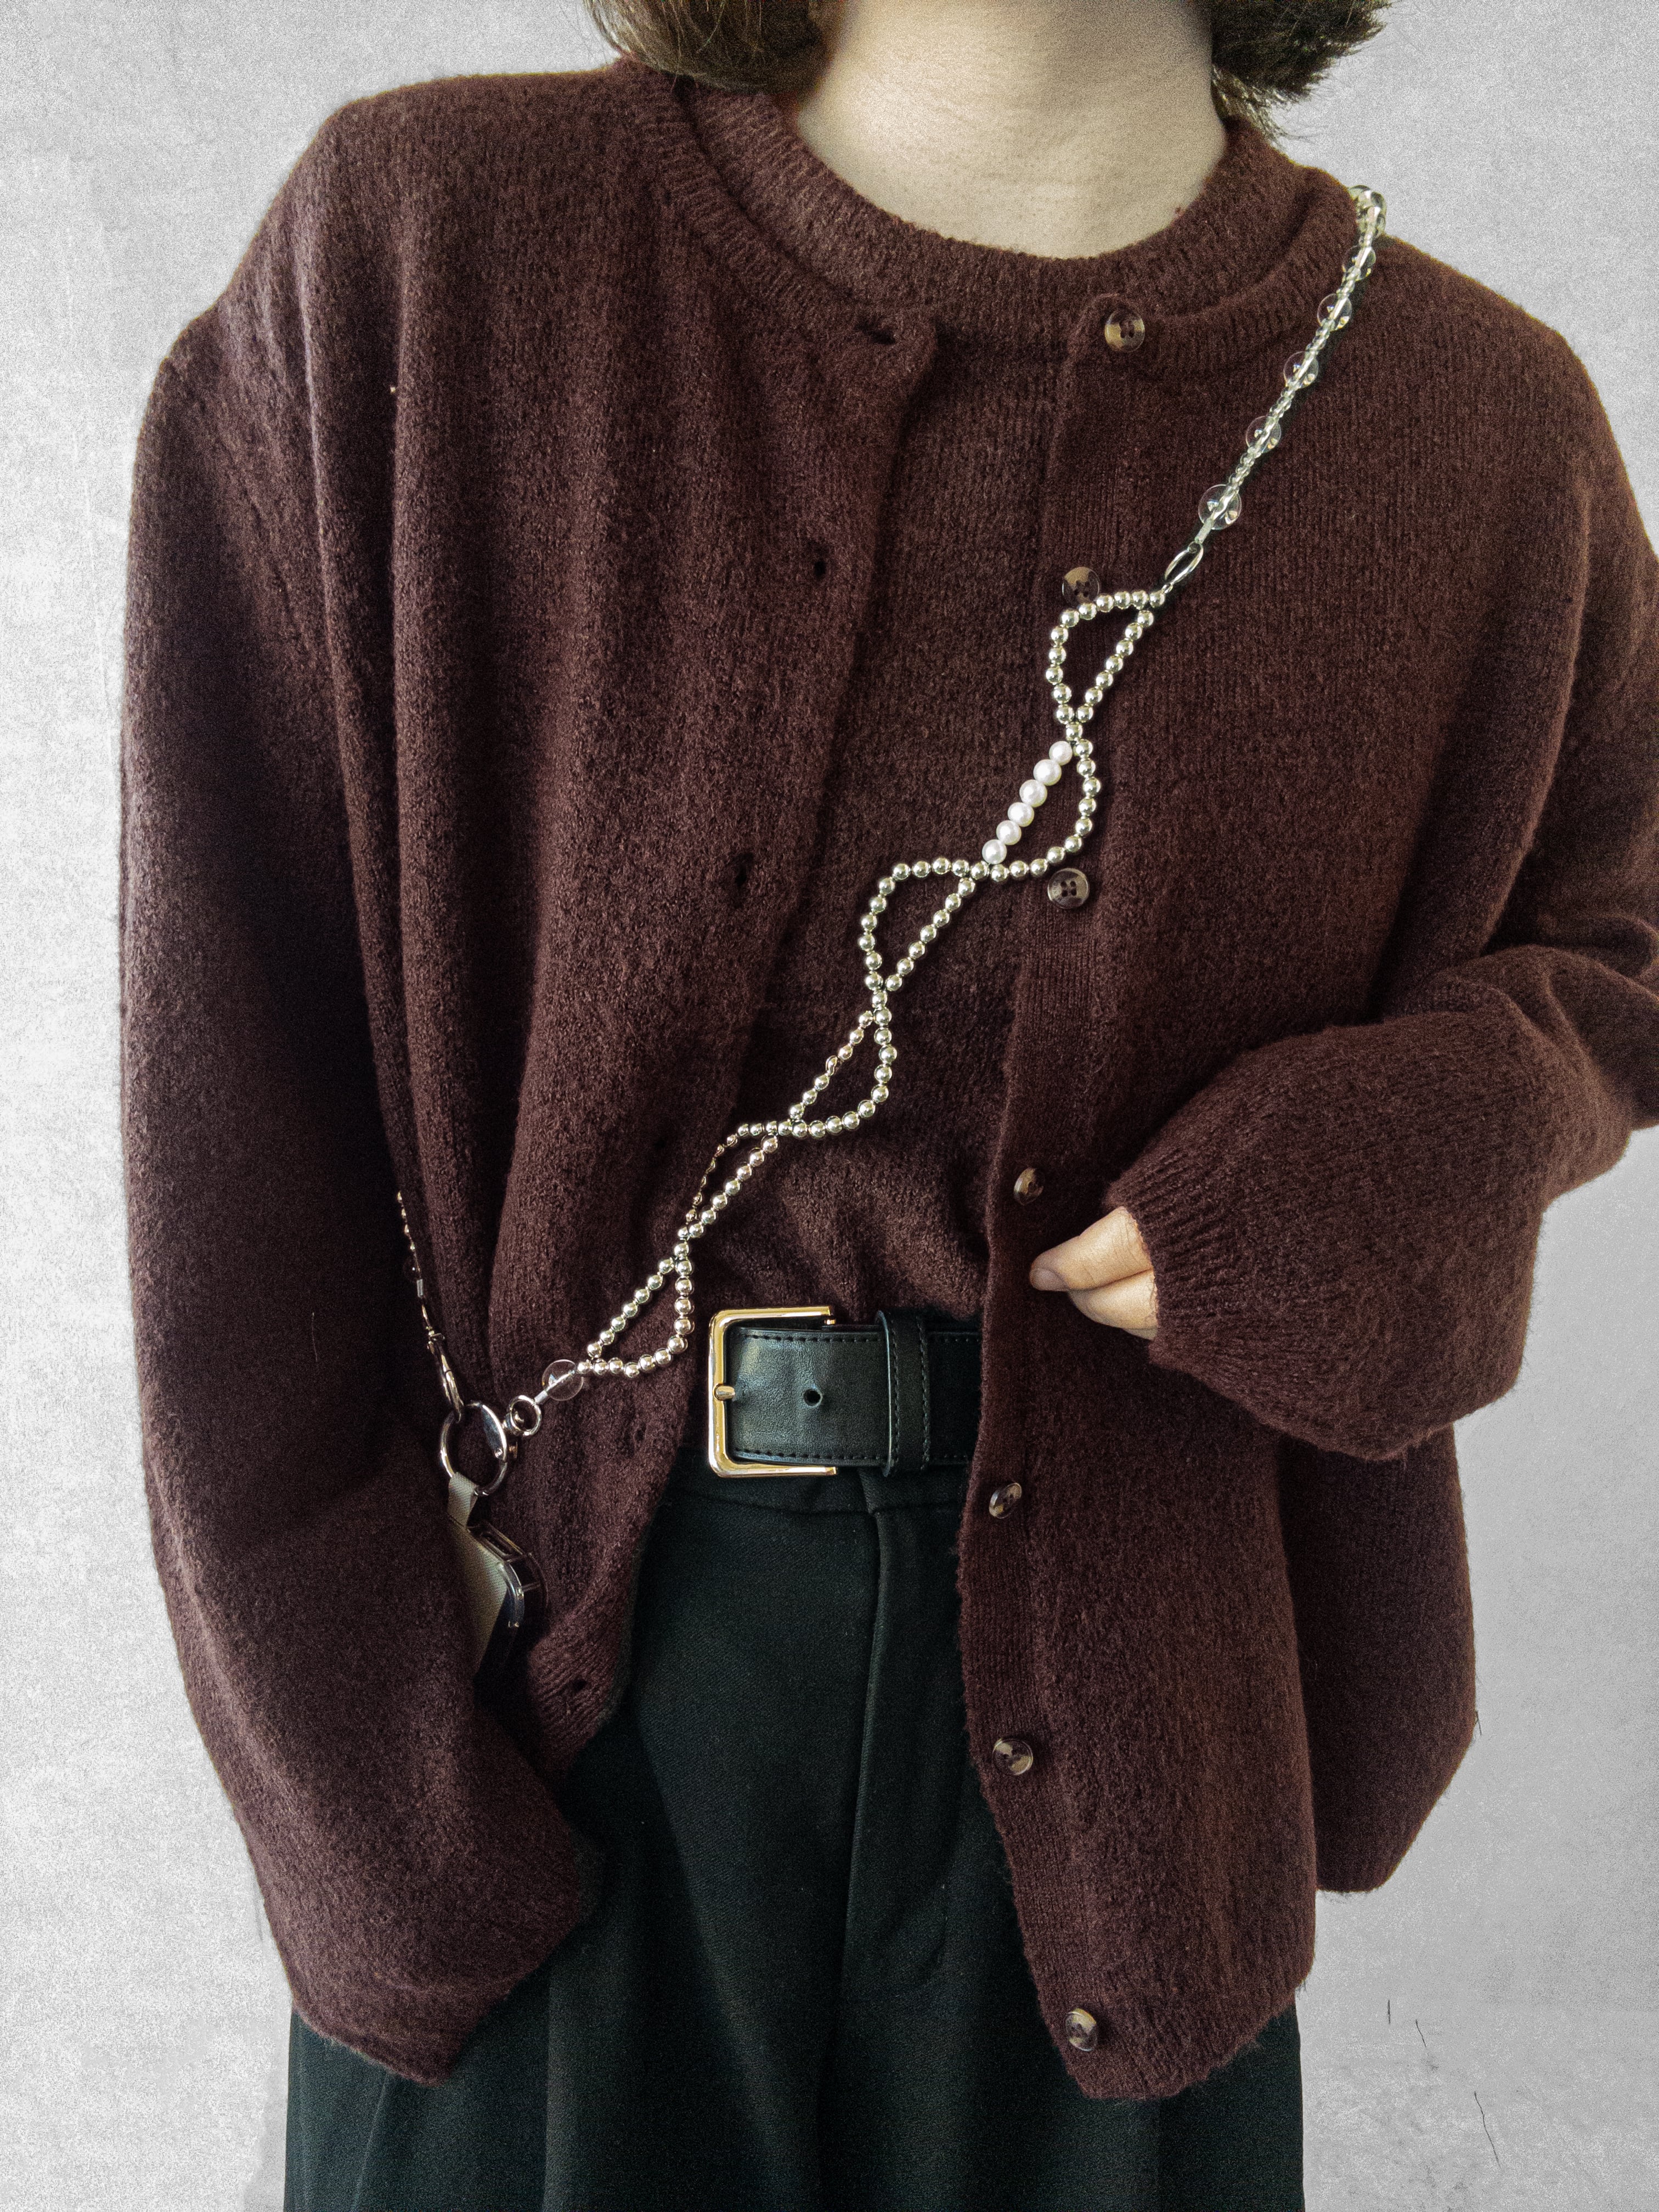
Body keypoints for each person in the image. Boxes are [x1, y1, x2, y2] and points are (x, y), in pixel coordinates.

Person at [118, 2, 1659, 2208]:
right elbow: (229, 1090)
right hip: (549, 1719)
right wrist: (367, 1790)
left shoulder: (1473, 423)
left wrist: (1426, 1138)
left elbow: (1624, 934)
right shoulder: (436, 253)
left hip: (1146, 1757)